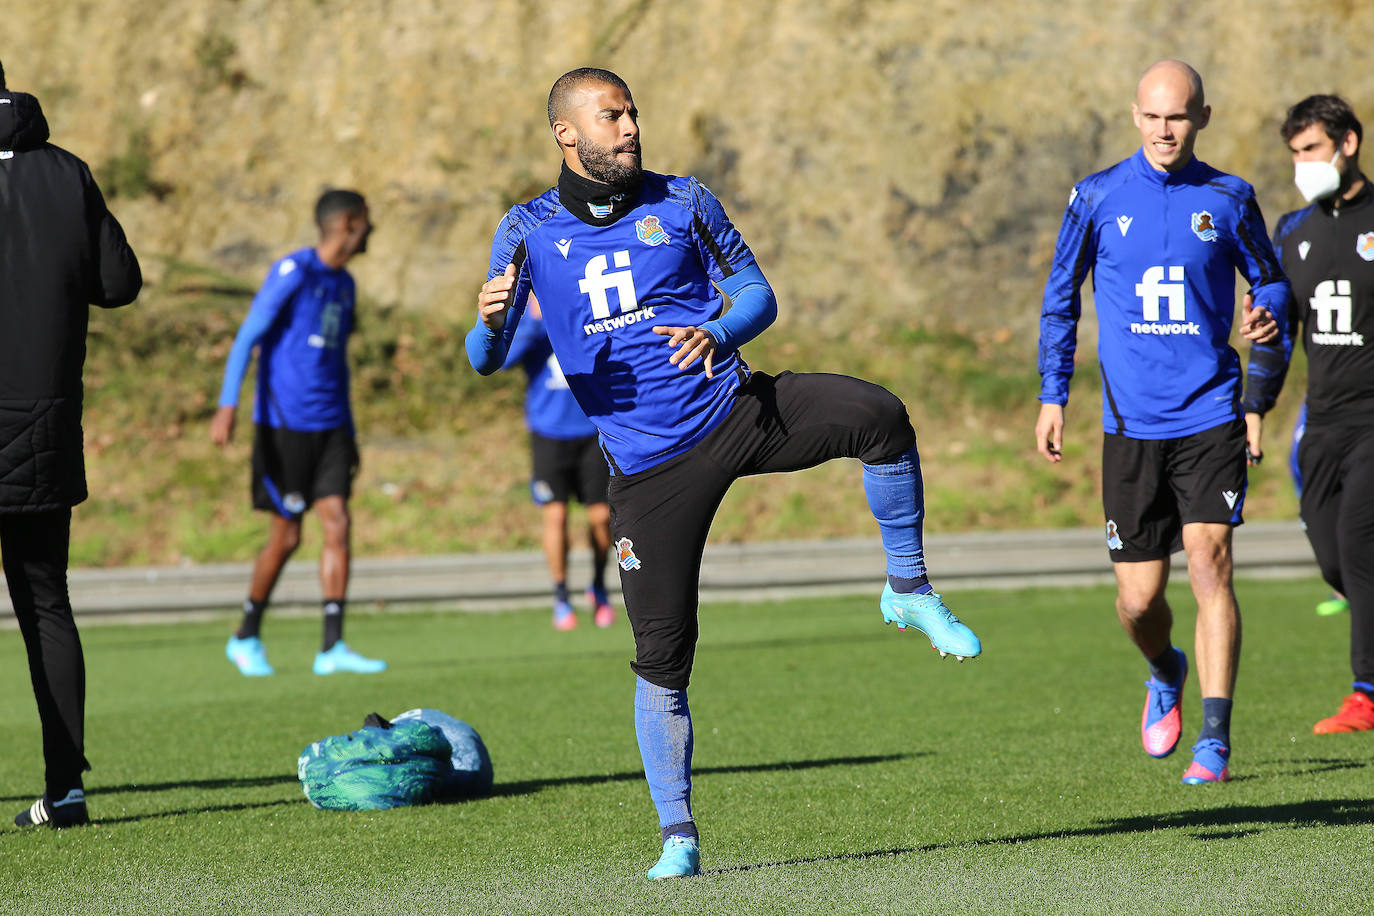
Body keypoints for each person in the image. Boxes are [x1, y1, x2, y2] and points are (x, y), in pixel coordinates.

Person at [466, 67, 982, 879]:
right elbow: (485, 360)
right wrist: (490, 321)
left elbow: (757, 294)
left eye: (633, 112)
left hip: (735, 411)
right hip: (648, 469)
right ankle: (679, 834)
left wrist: (718, 329)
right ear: (567, 134)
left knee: (880, 416)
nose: (631, 126)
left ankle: (909, 589)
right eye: (611, 116)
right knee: (663, 657)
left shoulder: (685, 200)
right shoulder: (526, 231)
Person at [1035, 60, 1290, 785]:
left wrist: (1267, 307)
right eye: (1152, 116)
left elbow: (1267, 275)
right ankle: (1164, 668)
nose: (1163, 130)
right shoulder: (1095, 196)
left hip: (1211, 412)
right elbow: (1061, 299)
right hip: (1129, 425)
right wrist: (1054, 394)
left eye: (1177, 116)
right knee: (1140, 600)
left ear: (1203, 117)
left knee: (1211, 562)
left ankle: (1215, 739)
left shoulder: (1230, 198)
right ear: (1135, 116)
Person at [1, 60, 142, 827]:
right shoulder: (67, 172)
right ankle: (67, 791)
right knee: (45, 603)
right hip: (42, 425)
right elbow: (119, 282)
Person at [212, 189, 386, 677]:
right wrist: (228, 404)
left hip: (331, 426)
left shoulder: (345, 285)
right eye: (368, 221)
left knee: (338, 522)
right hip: (284, 425)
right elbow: (249, 336)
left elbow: (337, 364)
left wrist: (349, 431)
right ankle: (246, 634)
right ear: (349, 223)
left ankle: (332, 648)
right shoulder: (295, 272)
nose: (373, 231)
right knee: (286, 536)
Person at [1244, 94, 1374, 733]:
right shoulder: (1292, 232)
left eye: (1313, 150)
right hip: (1322, 423)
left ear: (1348, 143)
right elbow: (1277, 333)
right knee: (1331, 559)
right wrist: (1256, 406)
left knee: (1359, 541)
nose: (1303, 165)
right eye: (1295, 154)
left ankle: (1366, 694)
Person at [502, 294, 617, 629]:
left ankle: (597, 585)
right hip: (548, 434)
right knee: (556, 515)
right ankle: (561, 596)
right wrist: (536, 320)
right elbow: (505, 360)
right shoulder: (527, 322)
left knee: (600, 518)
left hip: (592, 430)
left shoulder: (585, 309)